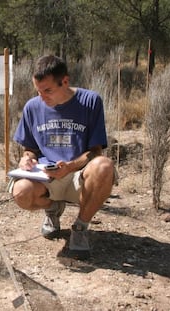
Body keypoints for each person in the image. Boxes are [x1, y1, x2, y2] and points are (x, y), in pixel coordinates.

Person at [9, 55, 115, 260]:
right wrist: (26, 159)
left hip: (80, 175)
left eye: (48, 90)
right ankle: (52, 208)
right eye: (38, 91)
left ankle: (80, 227)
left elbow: (96, 151)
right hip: (47, 177)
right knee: (20, 191)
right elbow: (29, 149)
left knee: (104, 166)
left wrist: (70, 166)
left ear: (65, 81)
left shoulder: (90, 101)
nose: (42, 98)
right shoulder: (33, 107)